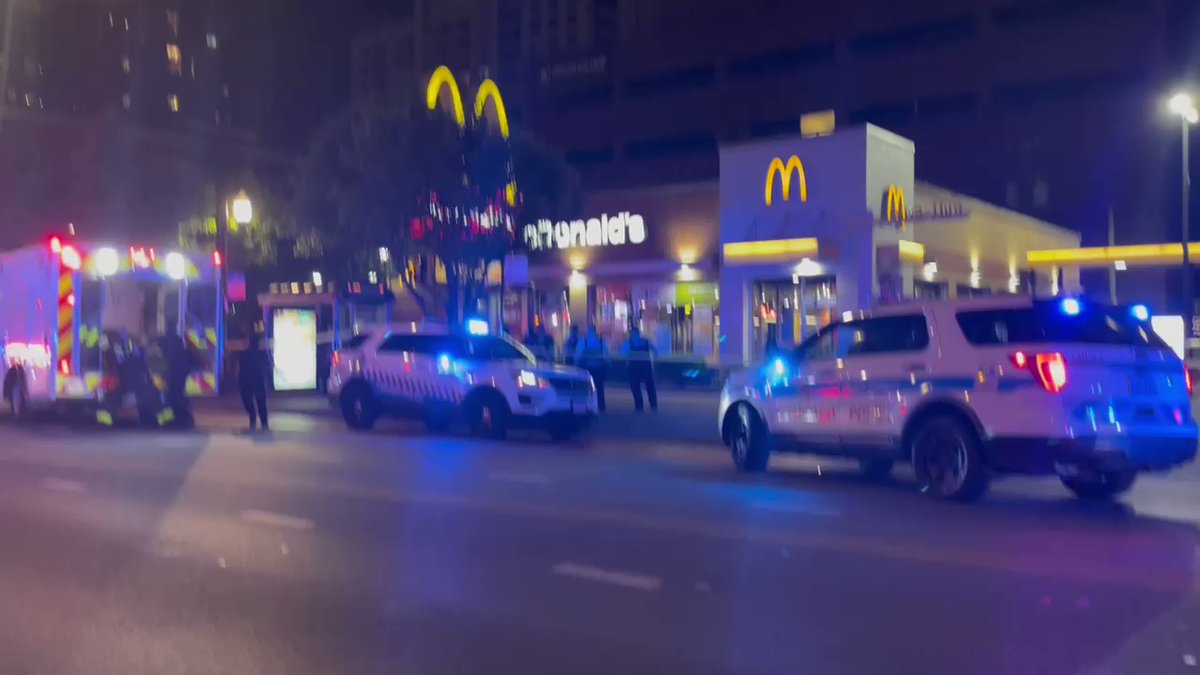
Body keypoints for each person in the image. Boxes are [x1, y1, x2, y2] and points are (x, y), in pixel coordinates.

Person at [156, 325, 197, 428]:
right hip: (180, 371)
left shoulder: (165, 341)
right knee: (177, 394)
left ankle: (180, 418)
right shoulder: (177, 341)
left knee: (173, 395)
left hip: (174, 371)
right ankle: (182, 418)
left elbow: (165, 356)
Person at [237, 333, 270, 431]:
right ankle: (260, 421)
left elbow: (240, 368)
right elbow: (267, 366)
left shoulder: (248, 354)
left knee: (254, 401)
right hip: (253, 379)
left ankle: (257, 420)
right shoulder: (259, 354)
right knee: (257, 401)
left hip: (251, 379)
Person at [622, 326, 658, 412]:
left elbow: (623, 354)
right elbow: (655, 352)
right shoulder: (645, 342)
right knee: (649, 387)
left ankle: (640, 406)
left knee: (637, 387)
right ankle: (652, 405)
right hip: (644, 367)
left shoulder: (628, 343)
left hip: (635, 368)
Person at [574, 324, 608, 412]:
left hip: (587, 369)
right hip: (596, 369)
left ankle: (588, 406)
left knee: (587, 389)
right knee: (599, 389)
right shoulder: (600, 342)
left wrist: (576, 365)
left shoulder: (583, 342)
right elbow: (606, 356)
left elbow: (577, 355)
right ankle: (600, 406)